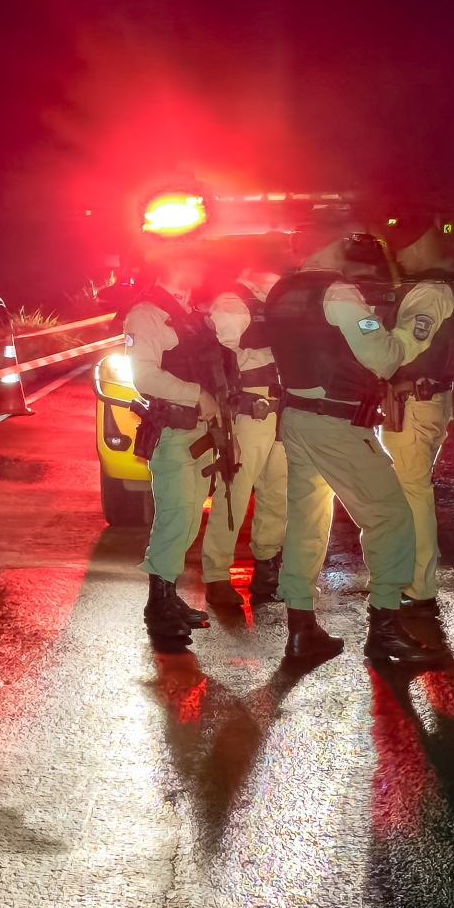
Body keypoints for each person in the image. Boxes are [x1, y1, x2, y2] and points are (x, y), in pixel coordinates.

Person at [265, 210, 433, 663]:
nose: (349, 247)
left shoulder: (281, 290)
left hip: (296, 417)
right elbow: (383, 356)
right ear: (329, 245)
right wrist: (412, 335)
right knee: (391, 517)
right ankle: (385, 629)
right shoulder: (339, 294)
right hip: (335, 422)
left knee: (306, 520)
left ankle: (301, 630)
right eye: (342, 241)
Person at [124, 241, 227, 639]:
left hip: (197, 433)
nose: (203, 264)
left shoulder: (188, 312)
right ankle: (158, 606)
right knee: (174, 519)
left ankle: (167, 596)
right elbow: (144, 377)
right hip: (173, 431)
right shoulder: (147, 313)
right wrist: (196, 395)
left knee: (185, 520)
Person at [200, 235, 291, 608]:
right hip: (248, 410)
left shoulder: (281, 301)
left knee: (278, 494)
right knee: (233, 494)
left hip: (281, 408)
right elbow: (229, 344)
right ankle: (217, 575)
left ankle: (267, 570)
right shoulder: (232, 300)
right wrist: (284, 332)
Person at [377, 213, 454, 618]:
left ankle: (419, 586)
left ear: (420, 243)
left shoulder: (429, 291)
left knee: (412, 495)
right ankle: (417, 580)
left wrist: (374, 343)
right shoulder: (431, 286)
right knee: (413, 491)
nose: (397, 256)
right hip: (422, 401)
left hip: (414, 403)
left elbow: (408, 345)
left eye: (401, 247)